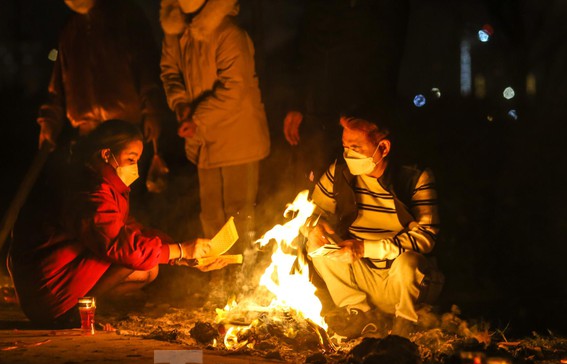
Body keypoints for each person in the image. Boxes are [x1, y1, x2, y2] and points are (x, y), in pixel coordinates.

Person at [8, 120, 226, 328]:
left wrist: (182, 255)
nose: (136, 168)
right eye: (131, 159)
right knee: (136, 257)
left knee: (148, 265)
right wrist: (179, 251)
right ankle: (72, 314)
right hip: (47, 294)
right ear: (106, 154)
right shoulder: (87, 190)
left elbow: (129, 229)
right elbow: (121, 245)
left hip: (52, 284)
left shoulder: (103, 183)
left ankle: (82, 308)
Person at [306, 113, 443, 339]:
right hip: (361, 275)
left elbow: (426, 237)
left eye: (356, 147)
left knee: (409, 262)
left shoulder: (414, 177)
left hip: (402, 281)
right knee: (319, 247)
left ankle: (405, 325)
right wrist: (315, 228)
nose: (348, 154)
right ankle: (361, 315)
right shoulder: (339, 172)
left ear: (384, 147)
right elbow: (311, 212)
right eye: (345, 146)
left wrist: (364, 247)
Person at [159, 0, 270, 242]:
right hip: (204, 141)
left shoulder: (229, 34)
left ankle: (244, 273)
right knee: (211, 215)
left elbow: (235, 88)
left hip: (239, 139)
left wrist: (196, 118)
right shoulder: (177, 34)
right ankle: (218, 274)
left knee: (239, 213)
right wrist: (180, 103)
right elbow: (169, 72)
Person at [282, 0, 410, 187]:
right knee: (315, 178)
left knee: (352, 180)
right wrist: (297, 103)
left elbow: (388, 58)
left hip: (358, 111)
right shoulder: (319, 9)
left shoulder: (382, 11)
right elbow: (305, 51)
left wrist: (372, 116)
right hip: (318, 110)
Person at [38, 0, 166, 152]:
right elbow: (58, 84)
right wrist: (49, 122)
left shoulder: (125, 16)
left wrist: (152, 111)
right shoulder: (70, 28)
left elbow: (147, 69)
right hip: (86, 134)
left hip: (125, 131)